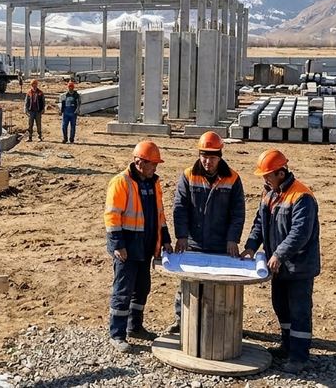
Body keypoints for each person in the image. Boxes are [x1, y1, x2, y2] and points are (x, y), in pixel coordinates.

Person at [240, 149, 320, 375]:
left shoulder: (302, 196)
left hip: (299, 267)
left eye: (268, 175)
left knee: (299, 311)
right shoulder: (269, 195)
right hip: (280, 266)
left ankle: (299, 357)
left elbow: (300, 233)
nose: (264, 179)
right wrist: (250, 247)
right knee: (281, 307)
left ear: (281, 173)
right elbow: (259, 224)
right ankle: (287, 346)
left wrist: (278, 255)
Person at [167, 131, 246, 334]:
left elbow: (238, 212)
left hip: (221, 243)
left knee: (220, 285)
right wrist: (182, 236)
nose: (207, 161)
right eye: (204, 156)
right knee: (186, 283)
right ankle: (180, 320)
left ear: (220, 156)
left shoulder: (233, 179)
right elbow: (180, 208)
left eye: (212, 157)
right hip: (193, 242)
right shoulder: (188, 176)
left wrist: (232, 239)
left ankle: (218, 325)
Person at [104, 141, 174, 353]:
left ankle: (135, 327)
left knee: (142, 289)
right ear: (139, 162)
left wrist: (166, 239)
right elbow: (112, 215)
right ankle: (117, 334)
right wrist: (118, 245)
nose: (155, 167)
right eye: (152, 163)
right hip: (127, 248)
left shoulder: (153, 183)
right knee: (123, 292)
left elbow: (159, 215)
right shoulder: (121, 182)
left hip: (146, 247)